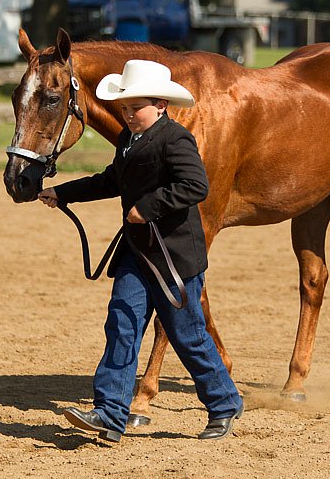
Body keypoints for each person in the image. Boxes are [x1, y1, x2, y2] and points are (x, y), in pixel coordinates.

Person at [37, 59, 243, 442]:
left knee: (188, 334)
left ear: (161, 105)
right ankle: (111, 414)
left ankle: (223, 402)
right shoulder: (128, 142)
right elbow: (111, 180)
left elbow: (196, 186)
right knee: (122, 324)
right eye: (125, 108)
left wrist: (147, 207)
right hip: (137, 253)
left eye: (137, 107)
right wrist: (63, 192)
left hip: (173, 258)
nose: (129, 115)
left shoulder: (175, 139)